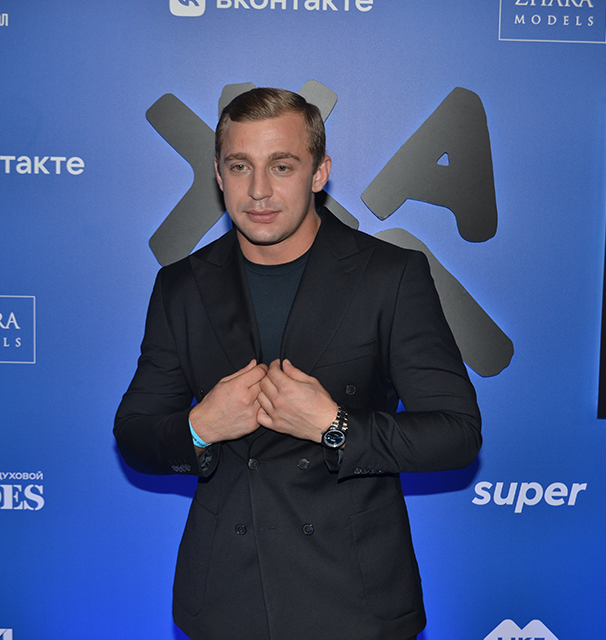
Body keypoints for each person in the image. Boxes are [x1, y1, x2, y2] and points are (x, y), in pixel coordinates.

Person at [114, 87, 481, 640]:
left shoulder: (390, 276)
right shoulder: (181, 286)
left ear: (319, 173)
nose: (258, 190)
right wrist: (200, 427)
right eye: (240, 166)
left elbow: (457, 434)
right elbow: (135, 434)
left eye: (281, 166)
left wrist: (335, 427)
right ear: (218, 174)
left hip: (353, 599)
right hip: (225, 600)